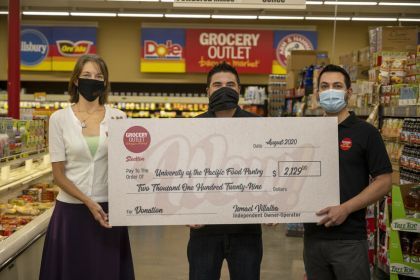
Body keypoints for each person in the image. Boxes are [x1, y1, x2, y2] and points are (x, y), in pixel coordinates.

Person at [39, 54, 135, 280]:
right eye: (87, 75)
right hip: (70, 212)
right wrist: (88, 202)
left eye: (99, 76)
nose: (93, 80)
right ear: (75, 80)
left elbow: (128, 169)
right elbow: (58, 174)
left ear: (105, 82)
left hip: (109, 212)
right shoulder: (59, 119)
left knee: (105, 272)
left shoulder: (119, 118)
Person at [303, 64, 392, 280]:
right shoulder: (306, 132)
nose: (330, 90)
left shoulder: (366, 133)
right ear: (317, 94)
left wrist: (345, 208)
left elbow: (385, 180)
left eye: (337, 85)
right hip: (313, 239)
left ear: (348, 92)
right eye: (324, 86)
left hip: (350, 239)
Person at [187, 62, 262, 280]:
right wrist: (183, 211)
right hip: (204, 230)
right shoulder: (190, 128)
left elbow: (269, 173)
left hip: (246, 231)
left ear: (239, 89)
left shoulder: (260, 126)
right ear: (207, 91)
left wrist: (276, 207)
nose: (224, 89)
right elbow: (181, 177)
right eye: (217, 85)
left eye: (230, 84)